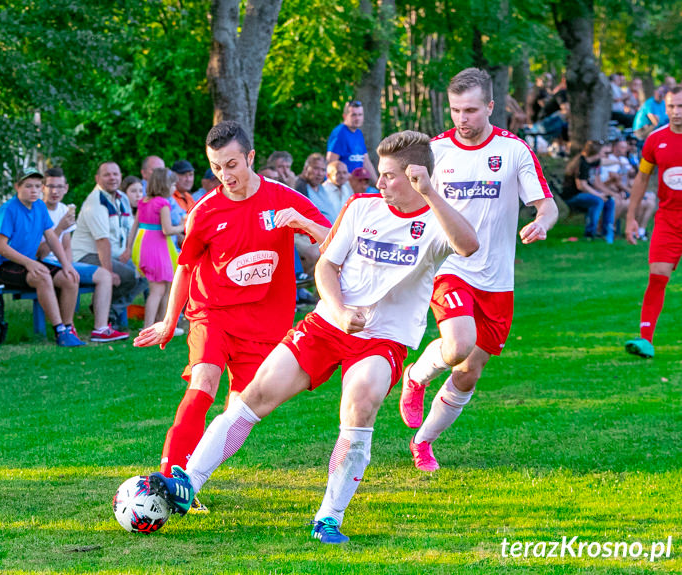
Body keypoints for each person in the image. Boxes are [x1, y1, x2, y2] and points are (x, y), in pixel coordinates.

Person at [148, 131, 479, 543]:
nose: (378, 183)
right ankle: (189, 485)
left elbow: (468, 245)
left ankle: (329, 517)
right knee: (254, 397)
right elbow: (326, 266)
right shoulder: (361, 208)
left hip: (383, 339)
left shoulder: (436, 221)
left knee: (359, 407)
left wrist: (430, 192)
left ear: (416, 177)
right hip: (326, 325)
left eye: (390, 176)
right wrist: (339, 310)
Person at [134, 121, 330, 512]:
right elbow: (186, 268)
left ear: (251, 157)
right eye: (217, 167)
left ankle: (192, 478)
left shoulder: (283, 198)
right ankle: (172, 477)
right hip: (213, 311)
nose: (226, 176)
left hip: (265, 324)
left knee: (240, 411)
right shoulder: (205, 211)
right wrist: (170, 321)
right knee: (204, 383)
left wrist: (304, 224)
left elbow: (332, 239)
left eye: (232, 165)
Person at [398, 68, 558, 471]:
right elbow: (403, 202)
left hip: (498, 279)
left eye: (470, 110)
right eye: (455, 110)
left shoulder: (514, 150)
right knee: (456, 346)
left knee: (469, 371)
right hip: (451, 267)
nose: (462, 119)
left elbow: (546, 203)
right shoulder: (434, 151)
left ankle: (423, 442)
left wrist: (541, 222)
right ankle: (416, 375)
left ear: (490, 106)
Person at [0, 168, 85, 347]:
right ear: (17, 187)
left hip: (28, 263)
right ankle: (59, 332)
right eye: (28, 186)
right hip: (4, 266)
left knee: (69, 278)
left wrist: (66, 265)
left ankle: (68, 328)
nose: (33, 190)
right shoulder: (8, 209)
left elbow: (51, 236)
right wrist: (29, 262)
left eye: (37, 186)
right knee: (42, 275)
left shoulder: (39, 206)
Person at [624, 87, 682, 359]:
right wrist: (631, 216)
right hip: (668, 222)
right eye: (671, 107)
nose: (676, 112)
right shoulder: (654, 140)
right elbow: (642, 179)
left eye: (680, 106)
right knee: (657, 278)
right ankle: (645, 340)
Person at [37, 167, 125, 343]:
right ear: (43, 188)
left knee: (105, 275)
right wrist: (60, 227)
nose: (55, 191)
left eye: (60, 187)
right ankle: (66, 328)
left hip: (63, 262)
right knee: (71, 278)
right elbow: (40, 252)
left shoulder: (63, 209)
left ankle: (100, 328)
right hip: (44, 264)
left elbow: (67, 245)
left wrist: (68, 264)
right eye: (51, 186)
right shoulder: (38, 210)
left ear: (66, 188)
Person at [72, 161, 143, 332]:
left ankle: (111, 310)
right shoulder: (95, 202)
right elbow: (102, 242)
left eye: (115, 174)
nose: (112, 178)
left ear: (120, 176)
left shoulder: (122, 198)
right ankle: (107, 315)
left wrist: (128, 250)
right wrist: (109, 271)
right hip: (87, 255)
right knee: (127, 275)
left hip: (115, 253)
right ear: (98, 178)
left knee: (147, 270)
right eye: (107, 174)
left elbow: (130, 229)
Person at [125, 168, 185, 328]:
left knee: (164, 287)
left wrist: (129, 248)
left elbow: (134, 227)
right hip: (158, 248)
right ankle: (149, 327)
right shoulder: (163, 204)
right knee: (158, 290)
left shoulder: (143, 202)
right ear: (164, 185)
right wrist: (183, 226)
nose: (174, 188)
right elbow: (167, 230)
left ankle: (163, 324)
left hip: (144, 245)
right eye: (172, 185)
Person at [560, 141, 616, 242]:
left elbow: (605, 162)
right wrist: (599, 195)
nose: (605, 155)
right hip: (573, 196)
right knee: (597, 201)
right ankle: (590, 233)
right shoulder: (581, 163)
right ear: (596, 152)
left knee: (609, 201)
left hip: (585, 194)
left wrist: (621, 162)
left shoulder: (592, 162)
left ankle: (607, 233)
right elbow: (581, 186)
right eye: (604, 152)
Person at [326, 100, 378, 180]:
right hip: (343, 184)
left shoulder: (358, 133)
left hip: (358, 184)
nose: (357, 118)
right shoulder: (340, 133)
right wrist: (352, 182)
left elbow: (366, 162)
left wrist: (377, 183)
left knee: (374, 191)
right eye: (353, 115)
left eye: (360, 115)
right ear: (345, 116)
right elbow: (331, 163)